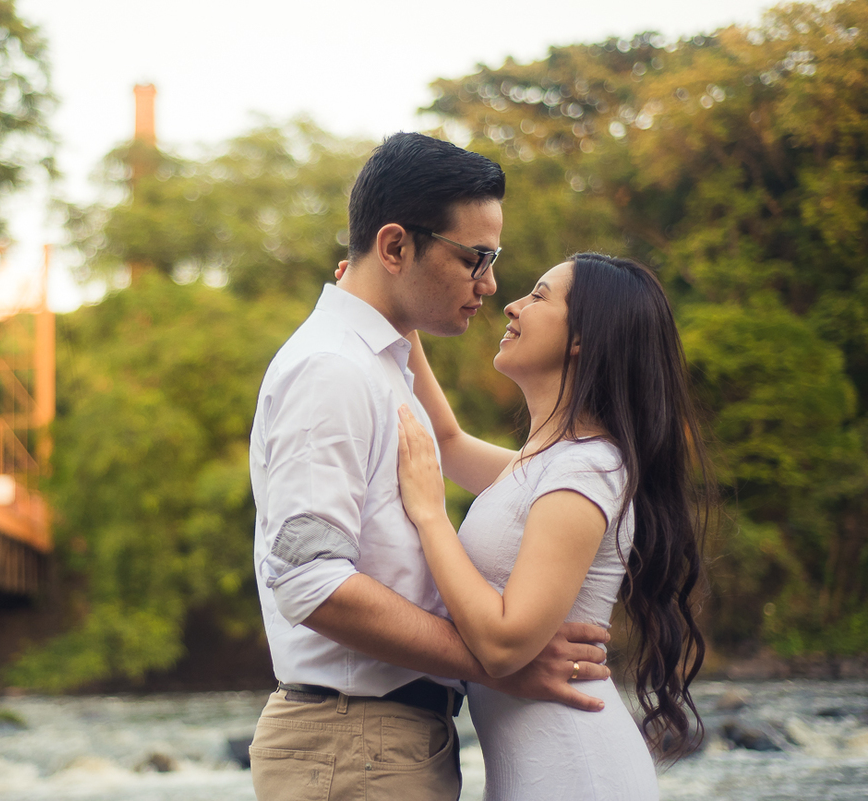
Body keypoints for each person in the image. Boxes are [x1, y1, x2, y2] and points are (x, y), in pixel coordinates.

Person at [249, 133, 612, 800]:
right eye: (476, 258)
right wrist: (499, 665)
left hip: (378, 740)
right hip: (354, 740)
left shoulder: (379, 362)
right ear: (395, 247)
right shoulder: (332, 369)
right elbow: (308, 579)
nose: (492, 284)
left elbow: (451, 443)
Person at [395, 253, 709, 799]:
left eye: (539, 296)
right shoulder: (551, 464)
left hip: (576, 774)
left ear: (583, 337)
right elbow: (445, 441)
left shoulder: (585, 469)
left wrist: (430, 515)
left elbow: (501, 645)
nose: (513, 305)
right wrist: (395, 312)